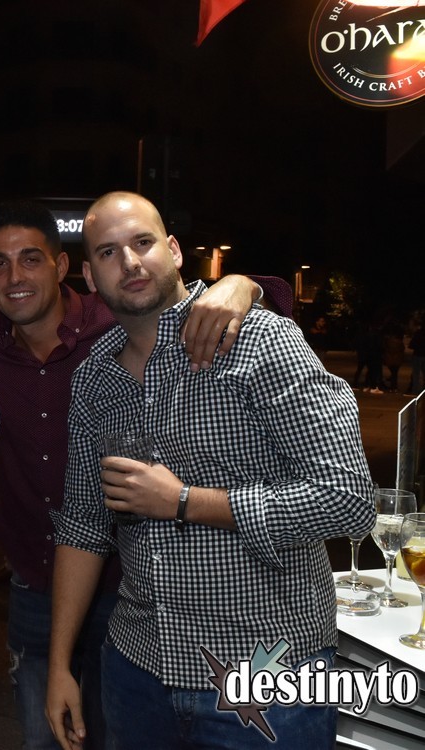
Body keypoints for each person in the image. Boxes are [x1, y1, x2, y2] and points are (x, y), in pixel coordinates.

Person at [0, 200, 272, 750]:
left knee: (116, 734)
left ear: (62, 268)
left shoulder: (113, 322)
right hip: (35, 584)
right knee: (44, 737)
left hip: (129, 585)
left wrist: (243, 285)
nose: (15, 277)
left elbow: (197, 303)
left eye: (31, 259)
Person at [45, 191, 373, 749]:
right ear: (89, 276)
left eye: (143, 242)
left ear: (173, 250)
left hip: (267, 670)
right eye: (108, 252)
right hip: (136, 668)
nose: (130, 262)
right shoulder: (94, 378)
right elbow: (83, 525)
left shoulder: (260, 341)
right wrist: (58, 665)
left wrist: (184, 501)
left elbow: (348, 499)